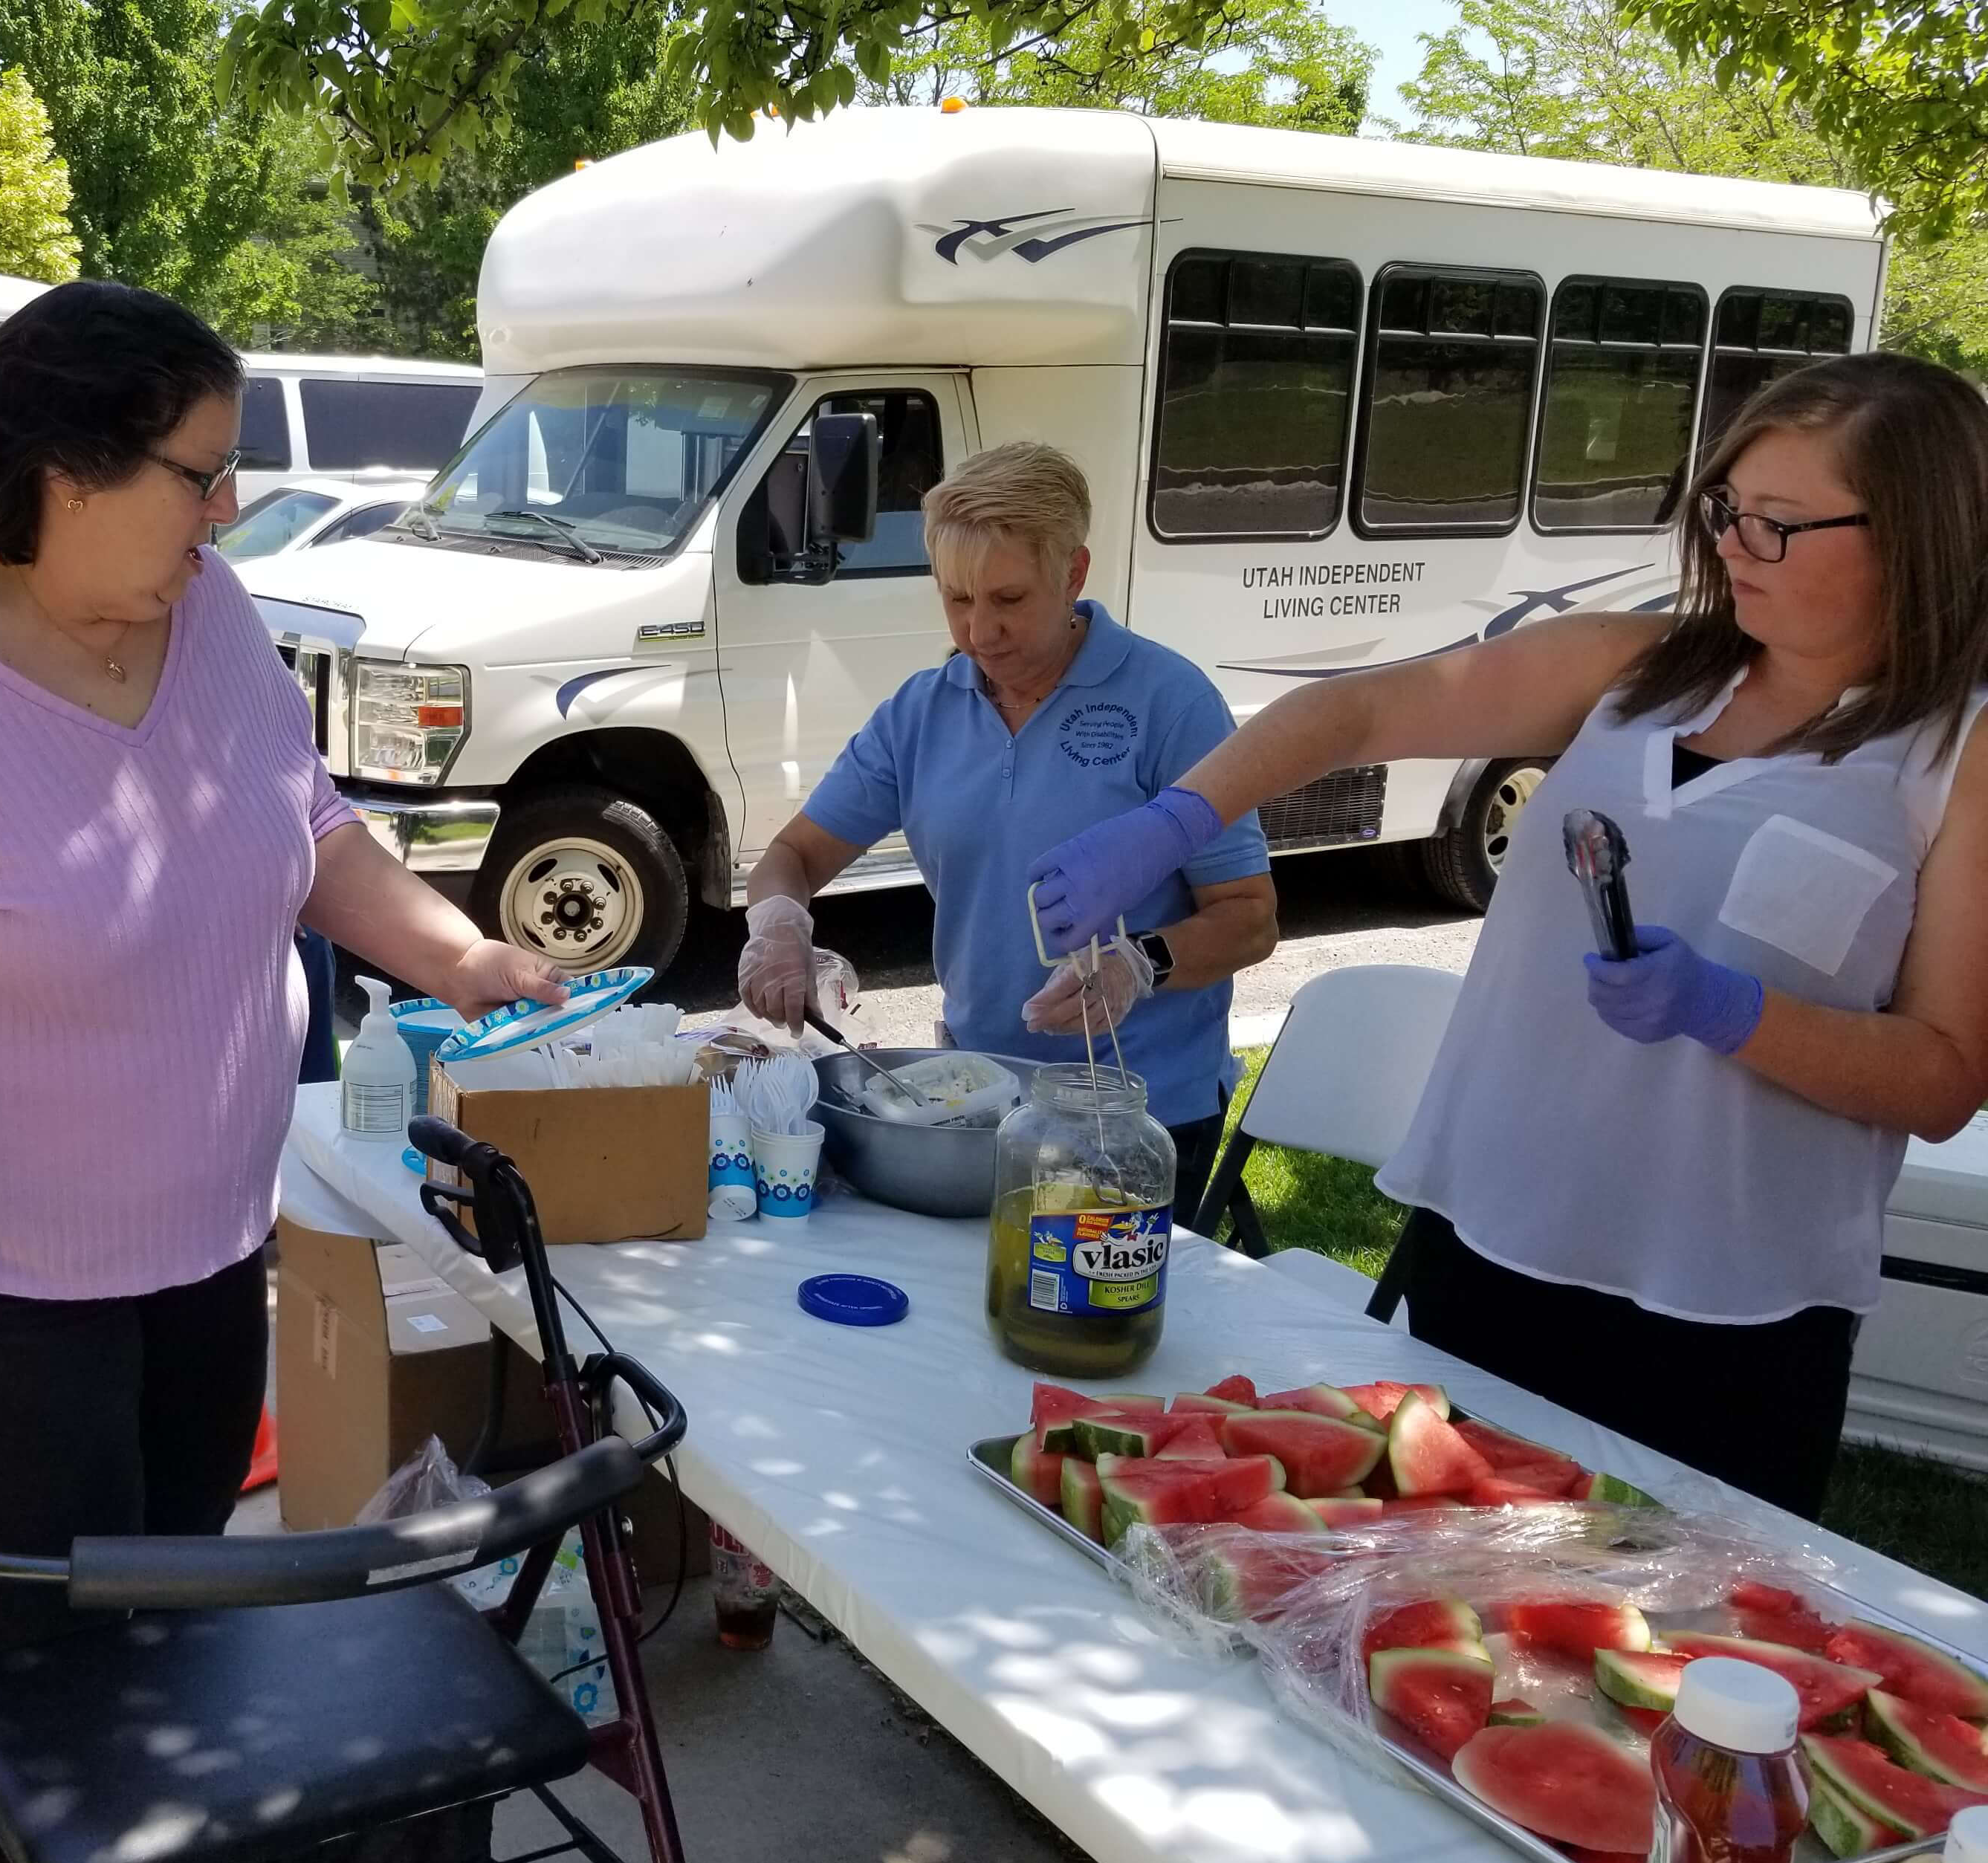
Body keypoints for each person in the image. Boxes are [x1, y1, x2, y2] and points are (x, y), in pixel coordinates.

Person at [0, 282, 565, 1663]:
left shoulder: (208, 610)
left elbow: (299, 817)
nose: (229, 507)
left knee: (172, 1628)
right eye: (201, 472)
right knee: (35, 1686)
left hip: (202, 1252)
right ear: (66, 473)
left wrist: (463, 954)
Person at [1027, 351, 1988, 1520]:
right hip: (1492, 1235)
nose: (1733, 544)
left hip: (1729, 1303)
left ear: (1919, 535)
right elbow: (1363, 708)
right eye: (1725, 508)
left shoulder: (1952, 755)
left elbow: (1943, 1074)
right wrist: (1177, 818)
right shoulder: (1643, 668)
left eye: (1778, 524)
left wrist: (1732, 1013)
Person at [736, 442, 1278, 1219]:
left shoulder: (1170, 701)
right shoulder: (922, 712)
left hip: (1137, 1112)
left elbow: (1250, 918)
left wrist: (1139, 964)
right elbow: (792, 855)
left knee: (1089, 1326)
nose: (979, 632)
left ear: (1075, 575)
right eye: (956, 599)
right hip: (974, 1104)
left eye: (1009, 600)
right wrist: (779, 923)